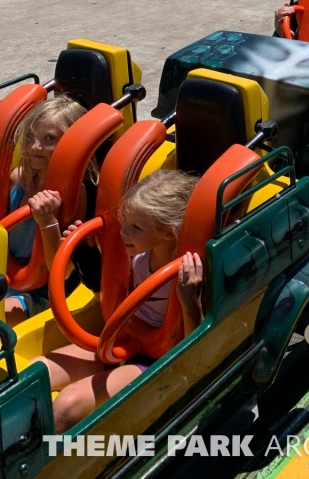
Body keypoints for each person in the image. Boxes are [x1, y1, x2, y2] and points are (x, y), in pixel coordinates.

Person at [33, 170, 202, 434]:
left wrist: (190, 300)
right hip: (120, 344)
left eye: (135, 227)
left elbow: (198, 348)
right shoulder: (138, 257)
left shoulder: (188, 274)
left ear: (168, 234)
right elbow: (110, 298)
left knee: (68, 404)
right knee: (36, 372)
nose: (123, 231)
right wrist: (86, 253)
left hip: (154, 362)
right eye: (124, 221)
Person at [4, 96, 88, 326]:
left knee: (4, 313)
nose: (34, 147)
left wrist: (48, 221)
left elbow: (62, 270)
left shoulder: (74, 196)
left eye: (49, 139)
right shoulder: (17, 178)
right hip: (6, 274)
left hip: (37, 292)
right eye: (31, 137)